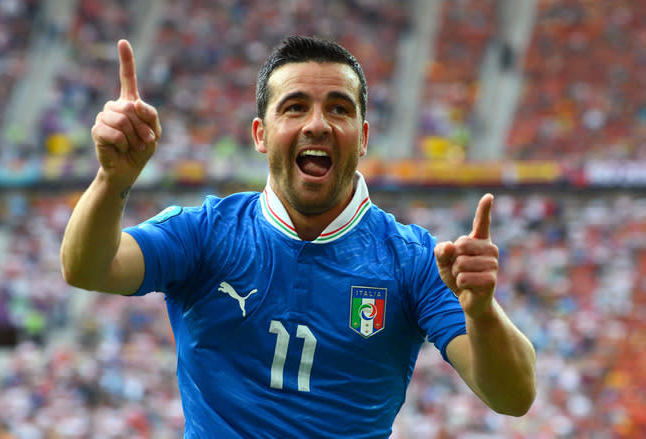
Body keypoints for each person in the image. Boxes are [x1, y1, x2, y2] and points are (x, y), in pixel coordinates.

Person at [60, 36, 536, 438]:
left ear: (363, 135)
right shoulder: (205, 232)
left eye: (338, 108)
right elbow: (87, 267)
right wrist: (110, 179)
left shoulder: (413, 259)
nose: (317, 124)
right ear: (260, 134)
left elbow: (514, 397)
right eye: (294, 107)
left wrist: (482, 312)